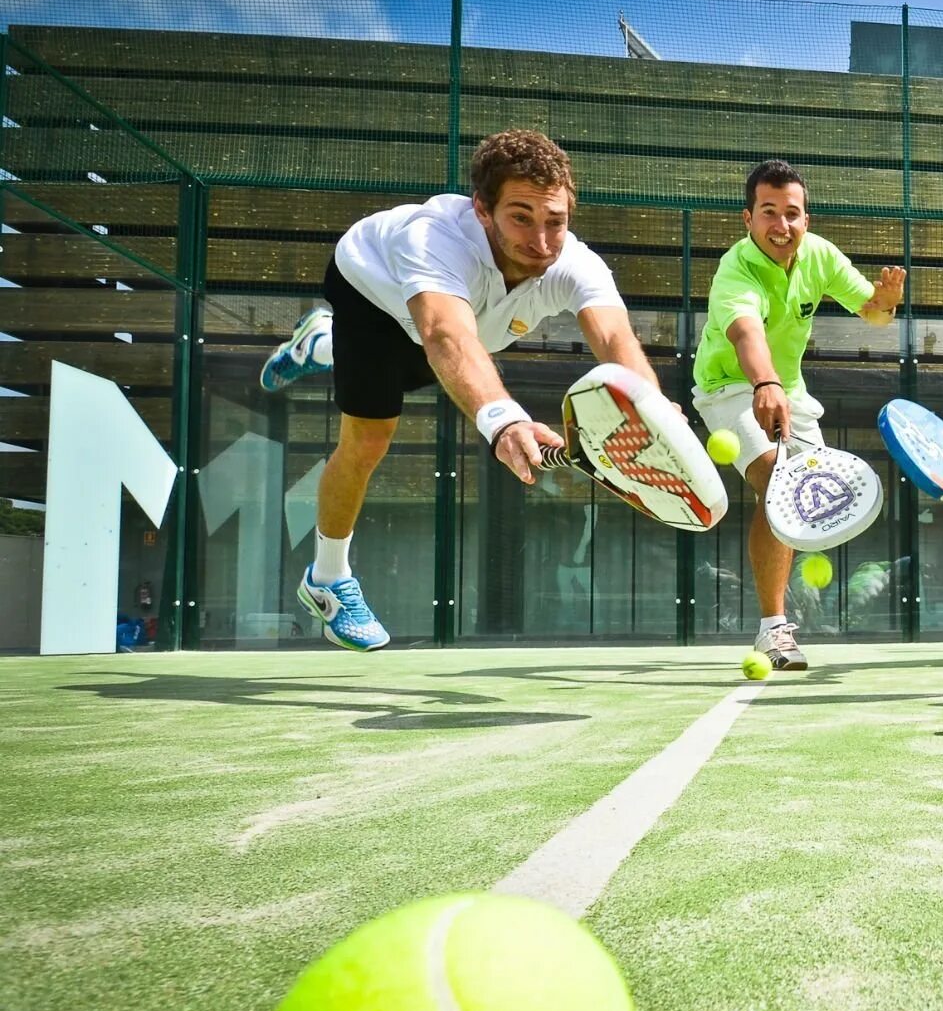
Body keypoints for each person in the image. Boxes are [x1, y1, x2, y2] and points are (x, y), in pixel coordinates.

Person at [258, 129, 673, 650]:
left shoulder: (574, 262)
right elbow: (444, 335)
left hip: (460, 324)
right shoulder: (433, 239)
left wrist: (652, 410)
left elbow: (616, 338)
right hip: (374, 293)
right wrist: (505, 421)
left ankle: (321, 344)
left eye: (556, 221)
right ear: (482, 209)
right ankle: (327, 579)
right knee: (370, 437)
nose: (541, 242)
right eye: (521, 217)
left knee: (434, 368)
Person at [693, 159, 905, 670]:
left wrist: (889, 301)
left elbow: (872, 313)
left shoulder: (820, 256)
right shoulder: (735, 268)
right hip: (728, 386)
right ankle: (773, 629)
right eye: (769, 212)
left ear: (806, 219)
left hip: (791, 393)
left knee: (806, 500)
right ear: (748, 219)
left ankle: (790, 601)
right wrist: (764, 383)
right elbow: (746, 333)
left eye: (792, 213)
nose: (781, 225)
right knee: (776, 482)